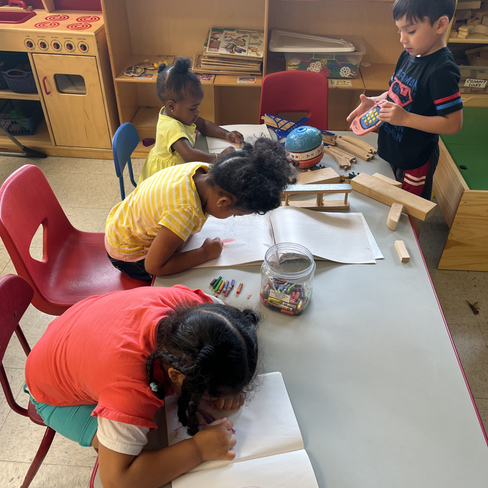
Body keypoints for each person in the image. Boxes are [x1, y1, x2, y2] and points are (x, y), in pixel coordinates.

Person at [25, 285, 260, 488]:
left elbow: (234, 334)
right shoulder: (130, 387)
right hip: (50, 390)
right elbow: (117, 479)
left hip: (78, 329)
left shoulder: (201, 312)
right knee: (142, 446)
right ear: (176, 376)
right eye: (210, 394)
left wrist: (228, 386)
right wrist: (198, 449)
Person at [105, 137, 296, 281]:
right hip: (128, 255)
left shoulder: (201, 169)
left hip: (121, 223)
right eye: (234, 214)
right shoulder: (184, 211)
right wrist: (204, 253)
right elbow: (154, 267)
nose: (232, 216)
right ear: (223, 202)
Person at [347, 0, 463, 204]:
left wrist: (406, 118)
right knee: (388, 201)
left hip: (414, 160)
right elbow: (395, 92)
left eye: (410, 31)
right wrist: (376, 100)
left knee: (408, 209)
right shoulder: (408, 55)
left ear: (440, 24)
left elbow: (453, 124)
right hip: (392, 150)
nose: (402, 39)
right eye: (399, 30)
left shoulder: (442, 70)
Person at [138, 56, 244, 183]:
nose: (197, 111)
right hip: (164, 177)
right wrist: (219, 157)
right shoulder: (171, 127)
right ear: (171, 106)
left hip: (178, 167)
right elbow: (189, 155)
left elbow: (203, 125)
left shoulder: (179, 114)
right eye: (193, 108)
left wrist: (226, 134)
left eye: (197, 106)